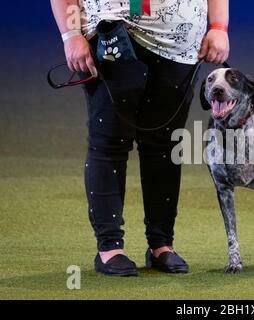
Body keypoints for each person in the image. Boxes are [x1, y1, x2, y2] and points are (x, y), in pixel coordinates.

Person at [50, 0, 229, 276]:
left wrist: (219, 26)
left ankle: (161, 245)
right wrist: (71, 34)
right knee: (110, 141)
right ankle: (110, 248)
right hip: (111, 26)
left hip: (179, 35)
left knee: (165, 144)